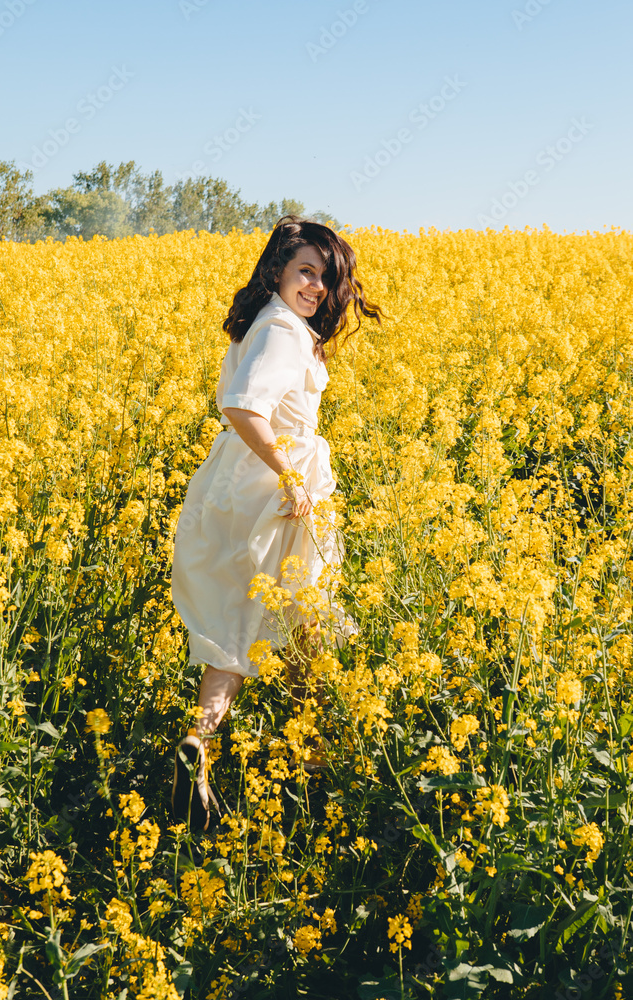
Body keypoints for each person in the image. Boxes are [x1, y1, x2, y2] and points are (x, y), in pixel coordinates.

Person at [170, 215, 382, 830]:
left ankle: (200, 745)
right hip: (275, 493)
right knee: (306, 622)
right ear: (279, 271)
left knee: (241, 624)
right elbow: (243, 405)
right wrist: (291, 475)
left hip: (238, 486)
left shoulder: (266, 322)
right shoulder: (284, 331)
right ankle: (313, 771)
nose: (316, 287)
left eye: (325, 276)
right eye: (305, 272)